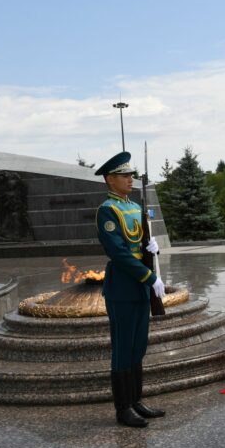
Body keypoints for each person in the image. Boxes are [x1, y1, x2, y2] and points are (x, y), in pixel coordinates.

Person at [95, 151, 166, 428]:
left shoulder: (135, 207)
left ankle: (136, 401)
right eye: (124, 175)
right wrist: (149, 277)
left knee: (138, 347)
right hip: (124, 287)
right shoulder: (107, 210)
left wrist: (152, 247)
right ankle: (123, 408)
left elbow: (139, 244)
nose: (130, 179)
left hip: (138, 289)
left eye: (131, 174)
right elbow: (119, 253)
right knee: (123, 349)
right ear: (110, 179)